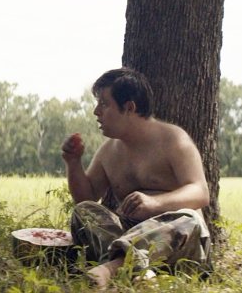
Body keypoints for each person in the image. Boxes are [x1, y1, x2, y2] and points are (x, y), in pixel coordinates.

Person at [61, 68, 210, 288]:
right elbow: (86, 198)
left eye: (104, 104)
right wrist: (73, 163)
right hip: (128, 232)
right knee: (84, 212)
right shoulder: (108, 151)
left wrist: (155, 203)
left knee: (189, 218)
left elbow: (200, 192)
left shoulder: (174, 139)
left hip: (175, 240)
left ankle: (111, 269)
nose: (96, 112)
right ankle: (138, 271)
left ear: (129, 107)